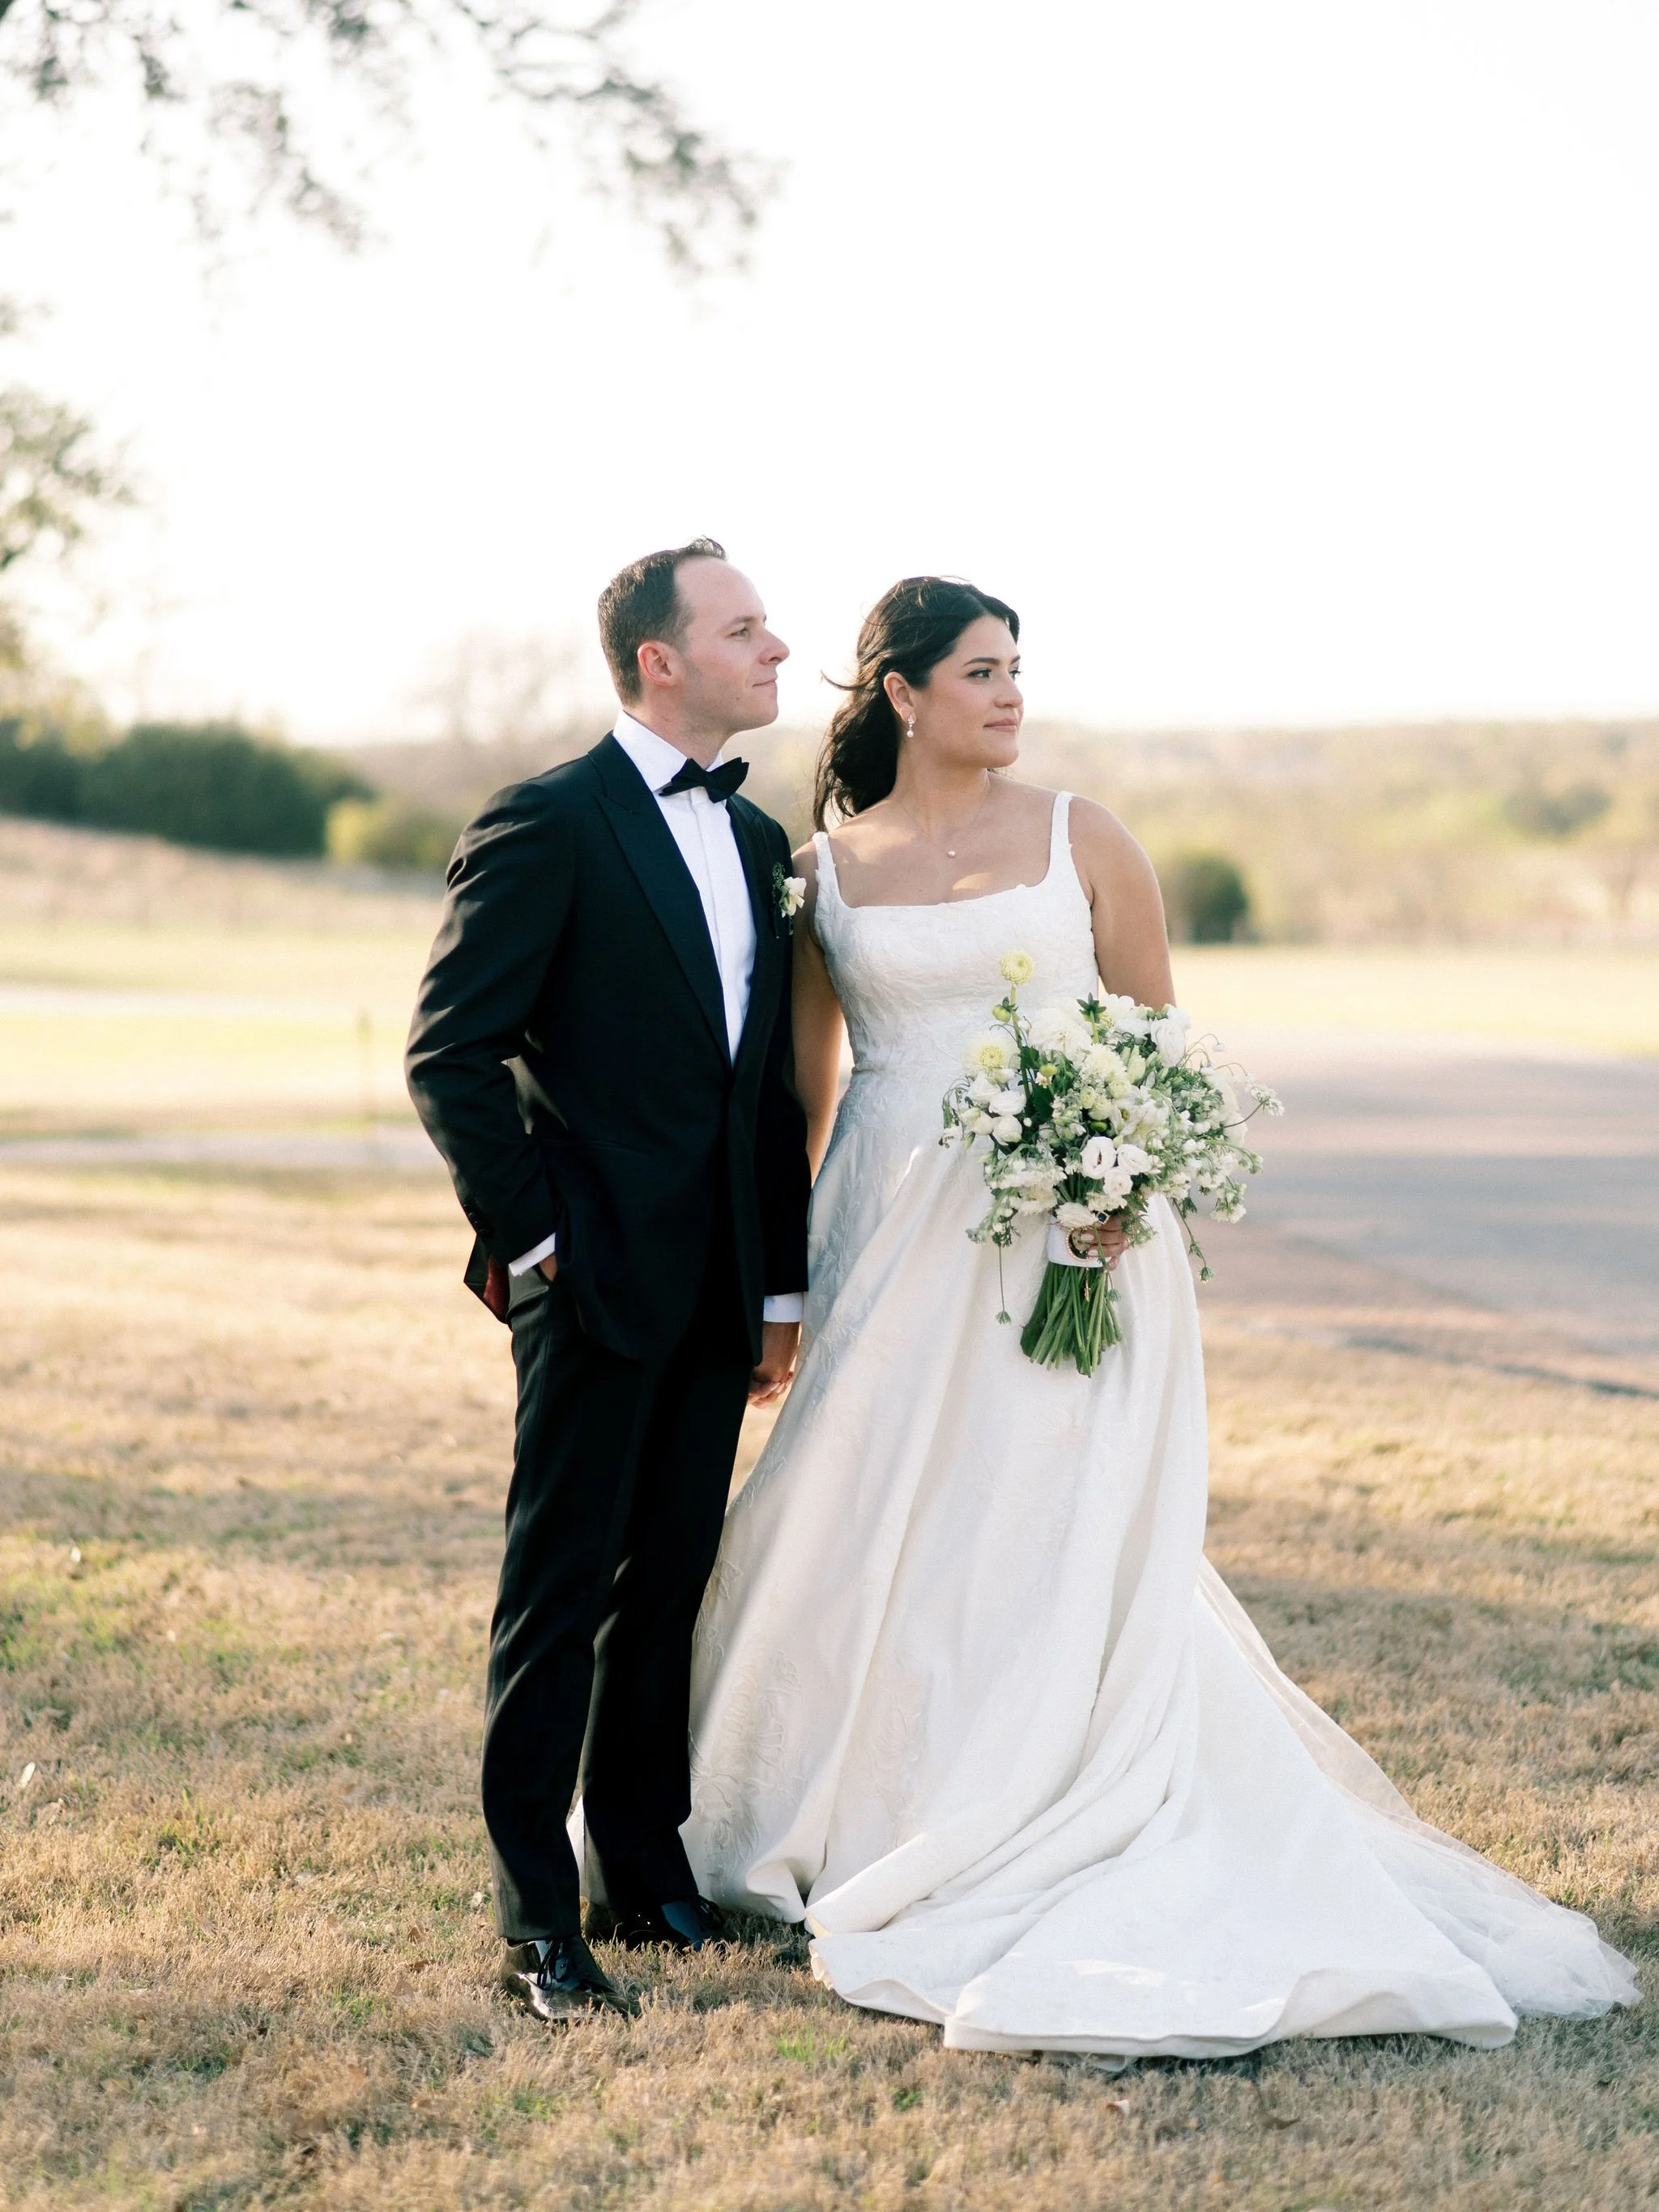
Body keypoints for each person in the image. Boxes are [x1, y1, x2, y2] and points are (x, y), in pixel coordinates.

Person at [683, 574, 1635, 2058]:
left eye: (1019, 670)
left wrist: (1124, 1183)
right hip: (888, 1224)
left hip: (1070, 1233)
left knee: (1041, 1516)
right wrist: (788, 1287)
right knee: (862, 1506)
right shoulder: (829, 871)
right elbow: (808, 1094)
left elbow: (1163, 1053)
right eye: (982, 672)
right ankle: (849, 1804)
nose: (1010, 695)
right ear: (903, 694)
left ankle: (1045, 1788)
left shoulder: (1087, 839)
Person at [407, 539, 811, 2023]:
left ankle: (642, 1873)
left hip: (718, 1284)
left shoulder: (762, 844)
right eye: (746, 629)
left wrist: (779, 1286)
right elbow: (450, 1050)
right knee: (558, 1593)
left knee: (668, 1592)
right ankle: (535, 1925)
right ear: (660, 658)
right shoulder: (548, 822)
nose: (776, 650)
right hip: (586, 1278)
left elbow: (761, 1089)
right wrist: (536, 1242)